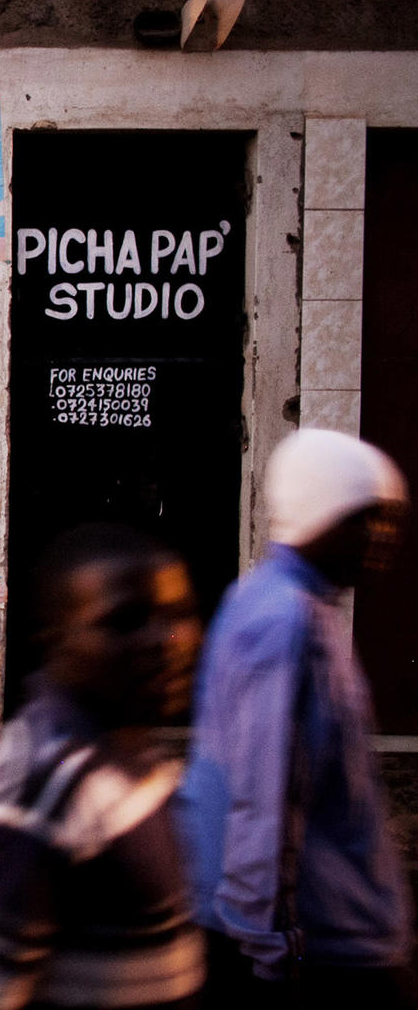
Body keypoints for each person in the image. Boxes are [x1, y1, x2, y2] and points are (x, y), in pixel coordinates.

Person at [0, 524, 206, 1010]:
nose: (167, 641)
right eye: (124, 621)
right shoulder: (42, 787)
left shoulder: (132, 752)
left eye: (179, 615)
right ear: (53, 639)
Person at [177, 429, 418, 1004]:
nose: (383, 537)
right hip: (317, 944)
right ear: (322, 514)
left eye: (389, 519)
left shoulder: (276, 601)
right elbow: (264, 797)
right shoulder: (285, 619)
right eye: (367, 518)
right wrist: (270, 947)